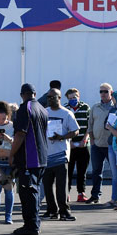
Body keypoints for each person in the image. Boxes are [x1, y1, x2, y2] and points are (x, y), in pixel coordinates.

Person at [10, 83, 48, 235]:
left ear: (22, 95)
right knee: (35, 191)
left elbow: (20, 134)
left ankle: (31, 225)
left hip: (29, 158)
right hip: (42, 157)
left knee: (28, 192)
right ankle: (33, 222)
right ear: (35, 93)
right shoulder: (43, 109)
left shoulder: (25, 109)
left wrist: (11, 154)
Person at [41, 90, 79, 221]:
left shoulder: (67, 113)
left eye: (53, 97)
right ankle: (51, 210)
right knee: (47, 185)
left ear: (59, 97)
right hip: (46, 154)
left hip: (61, 154)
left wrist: (62, 137)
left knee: (61, 185)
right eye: (48, 97)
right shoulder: (44, 112)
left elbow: (75, 131)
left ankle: (64, 211)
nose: (50, 99)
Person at [86, 83, 115, 204]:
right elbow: (90, 125)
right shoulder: (95, 107)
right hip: (97, 145)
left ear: (111, 93)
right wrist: (92, 140)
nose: (103, 94)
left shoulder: (116, 108)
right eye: (101, 91)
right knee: (96, 172)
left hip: (111, 145)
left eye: (105, 91)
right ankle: (95, 195)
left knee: (116, 172)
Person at [65, 89, 91, 202]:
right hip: (69, 146)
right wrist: (69, 141)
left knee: (82, 171)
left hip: (83, 145)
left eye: (74, 97)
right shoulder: (65, 109)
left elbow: (89, 125)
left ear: (79, 96)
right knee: (68, 171)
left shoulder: (86, 108)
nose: (73, 100)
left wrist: (84, 140)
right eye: (70, 98)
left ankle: (81, 192)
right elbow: (63, 127)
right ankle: (66, 193)